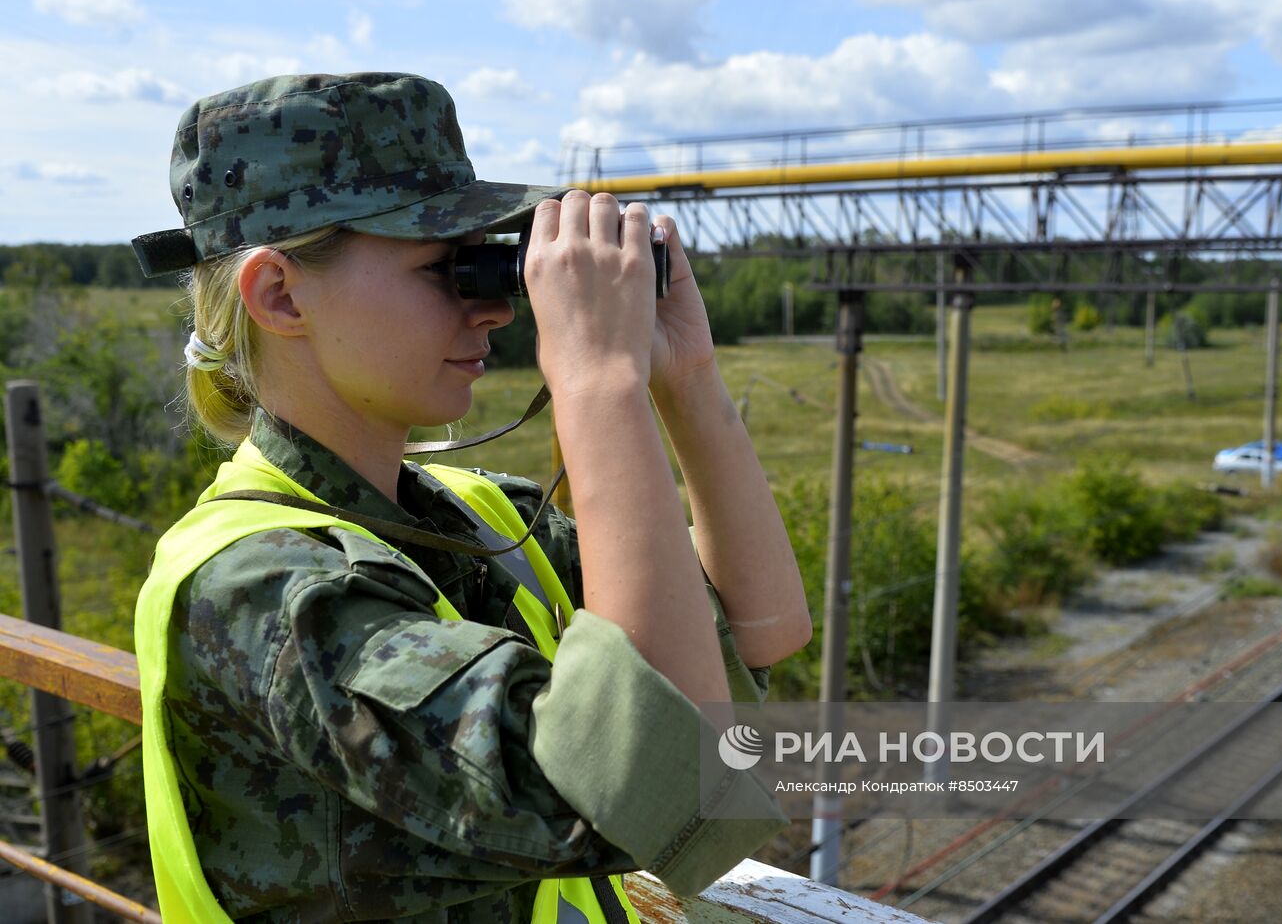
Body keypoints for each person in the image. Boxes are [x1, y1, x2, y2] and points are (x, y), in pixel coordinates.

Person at [130, 72, 811, 923]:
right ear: (279, 294)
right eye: (442, 268)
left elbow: (761, 630)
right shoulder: (267, 590)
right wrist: (598, 384)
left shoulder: (469, 517)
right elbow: (658, 786)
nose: (493, 309)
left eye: (488, 262)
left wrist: (688, 377)